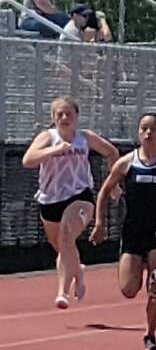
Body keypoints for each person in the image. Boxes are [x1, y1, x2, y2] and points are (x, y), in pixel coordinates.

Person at [89, 113, 156, 350]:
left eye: (153, 129)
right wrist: (99, 223)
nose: (148, 133)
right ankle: (140, 263)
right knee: (128, 289)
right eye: (144, 128)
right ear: (138, 132)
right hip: (133, 231)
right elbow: (104, 192)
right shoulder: (126, 163)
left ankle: (150, 334)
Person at [22, 96, 119, 309]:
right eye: (60, 114)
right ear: (53, 118)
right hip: (50, 199)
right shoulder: (47, 137)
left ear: (76, 117)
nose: (64, 118)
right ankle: (79, 272)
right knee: (64, 248)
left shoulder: (85, 138)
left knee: (67, 234)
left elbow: (111, 152)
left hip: (80, 196)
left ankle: (62, 292)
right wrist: (54, 150)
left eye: (69, 114)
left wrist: (114, 184)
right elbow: (28, 160)